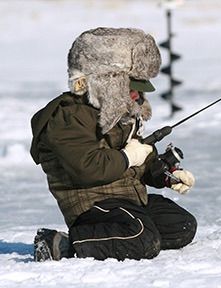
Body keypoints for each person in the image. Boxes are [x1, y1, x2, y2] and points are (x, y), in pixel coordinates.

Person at [30, 27, 197, 261]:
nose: (137, 97)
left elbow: (142, 161)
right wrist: (129, 157)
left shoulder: (122, 114)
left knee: (181, 225)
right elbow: (87, 168)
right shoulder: (69, 117)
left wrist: (166, 175)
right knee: (142, 238)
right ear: (108, 83)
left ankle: (120, 237)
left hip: (127, 199)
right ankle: (62, 244)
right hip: (92, 204)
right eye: (132, 89)